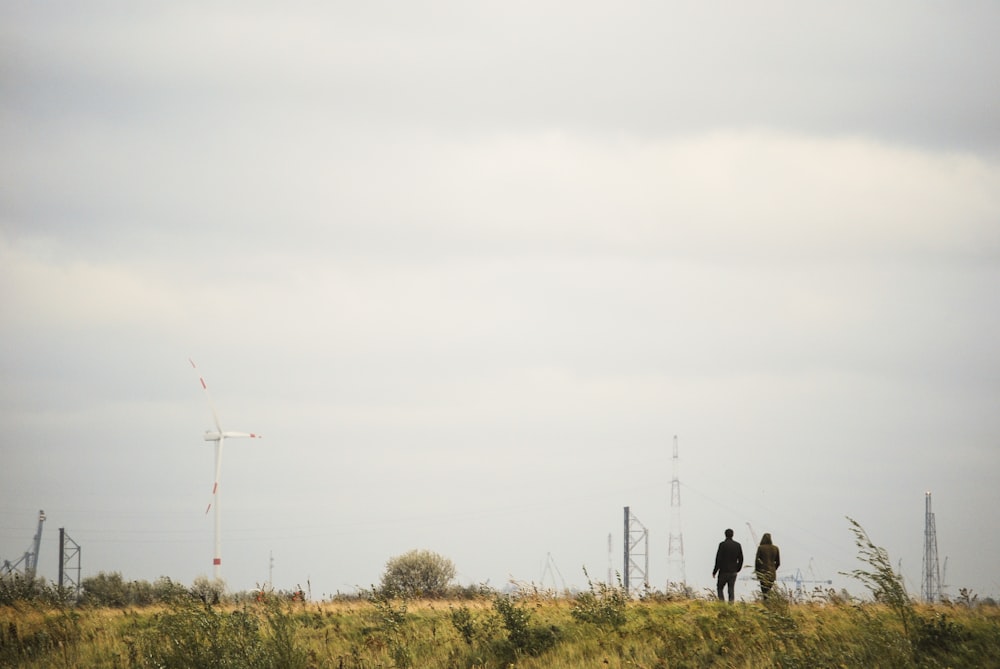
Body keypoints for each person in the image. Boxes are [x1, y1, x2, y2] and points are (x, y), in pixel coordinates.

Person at [712, 528, 743, 602]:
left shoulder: (722, 545)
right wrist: (738, 568)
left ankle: (722, 603)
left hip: (723, 571)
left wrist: (715, 571)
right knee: (731, 589)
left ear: (725, 535)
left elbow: (718, 559)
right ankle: (731, 605)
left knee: (720, 588)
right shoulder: (737, 545)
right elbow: (741, 559)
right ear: (733, 535)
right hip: (733, 571)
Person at [755, 532, 781, 599]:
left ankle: (765, 603)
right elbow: (778, 562)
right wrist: (774, 569)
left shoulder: (760, 548)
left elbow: (757, 561)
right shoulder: (775, 548)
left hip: (763, 572)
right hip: (772, 573)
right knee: (769, 590)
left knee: (764, 591)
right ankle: (769, 604)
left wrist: (757, 572)